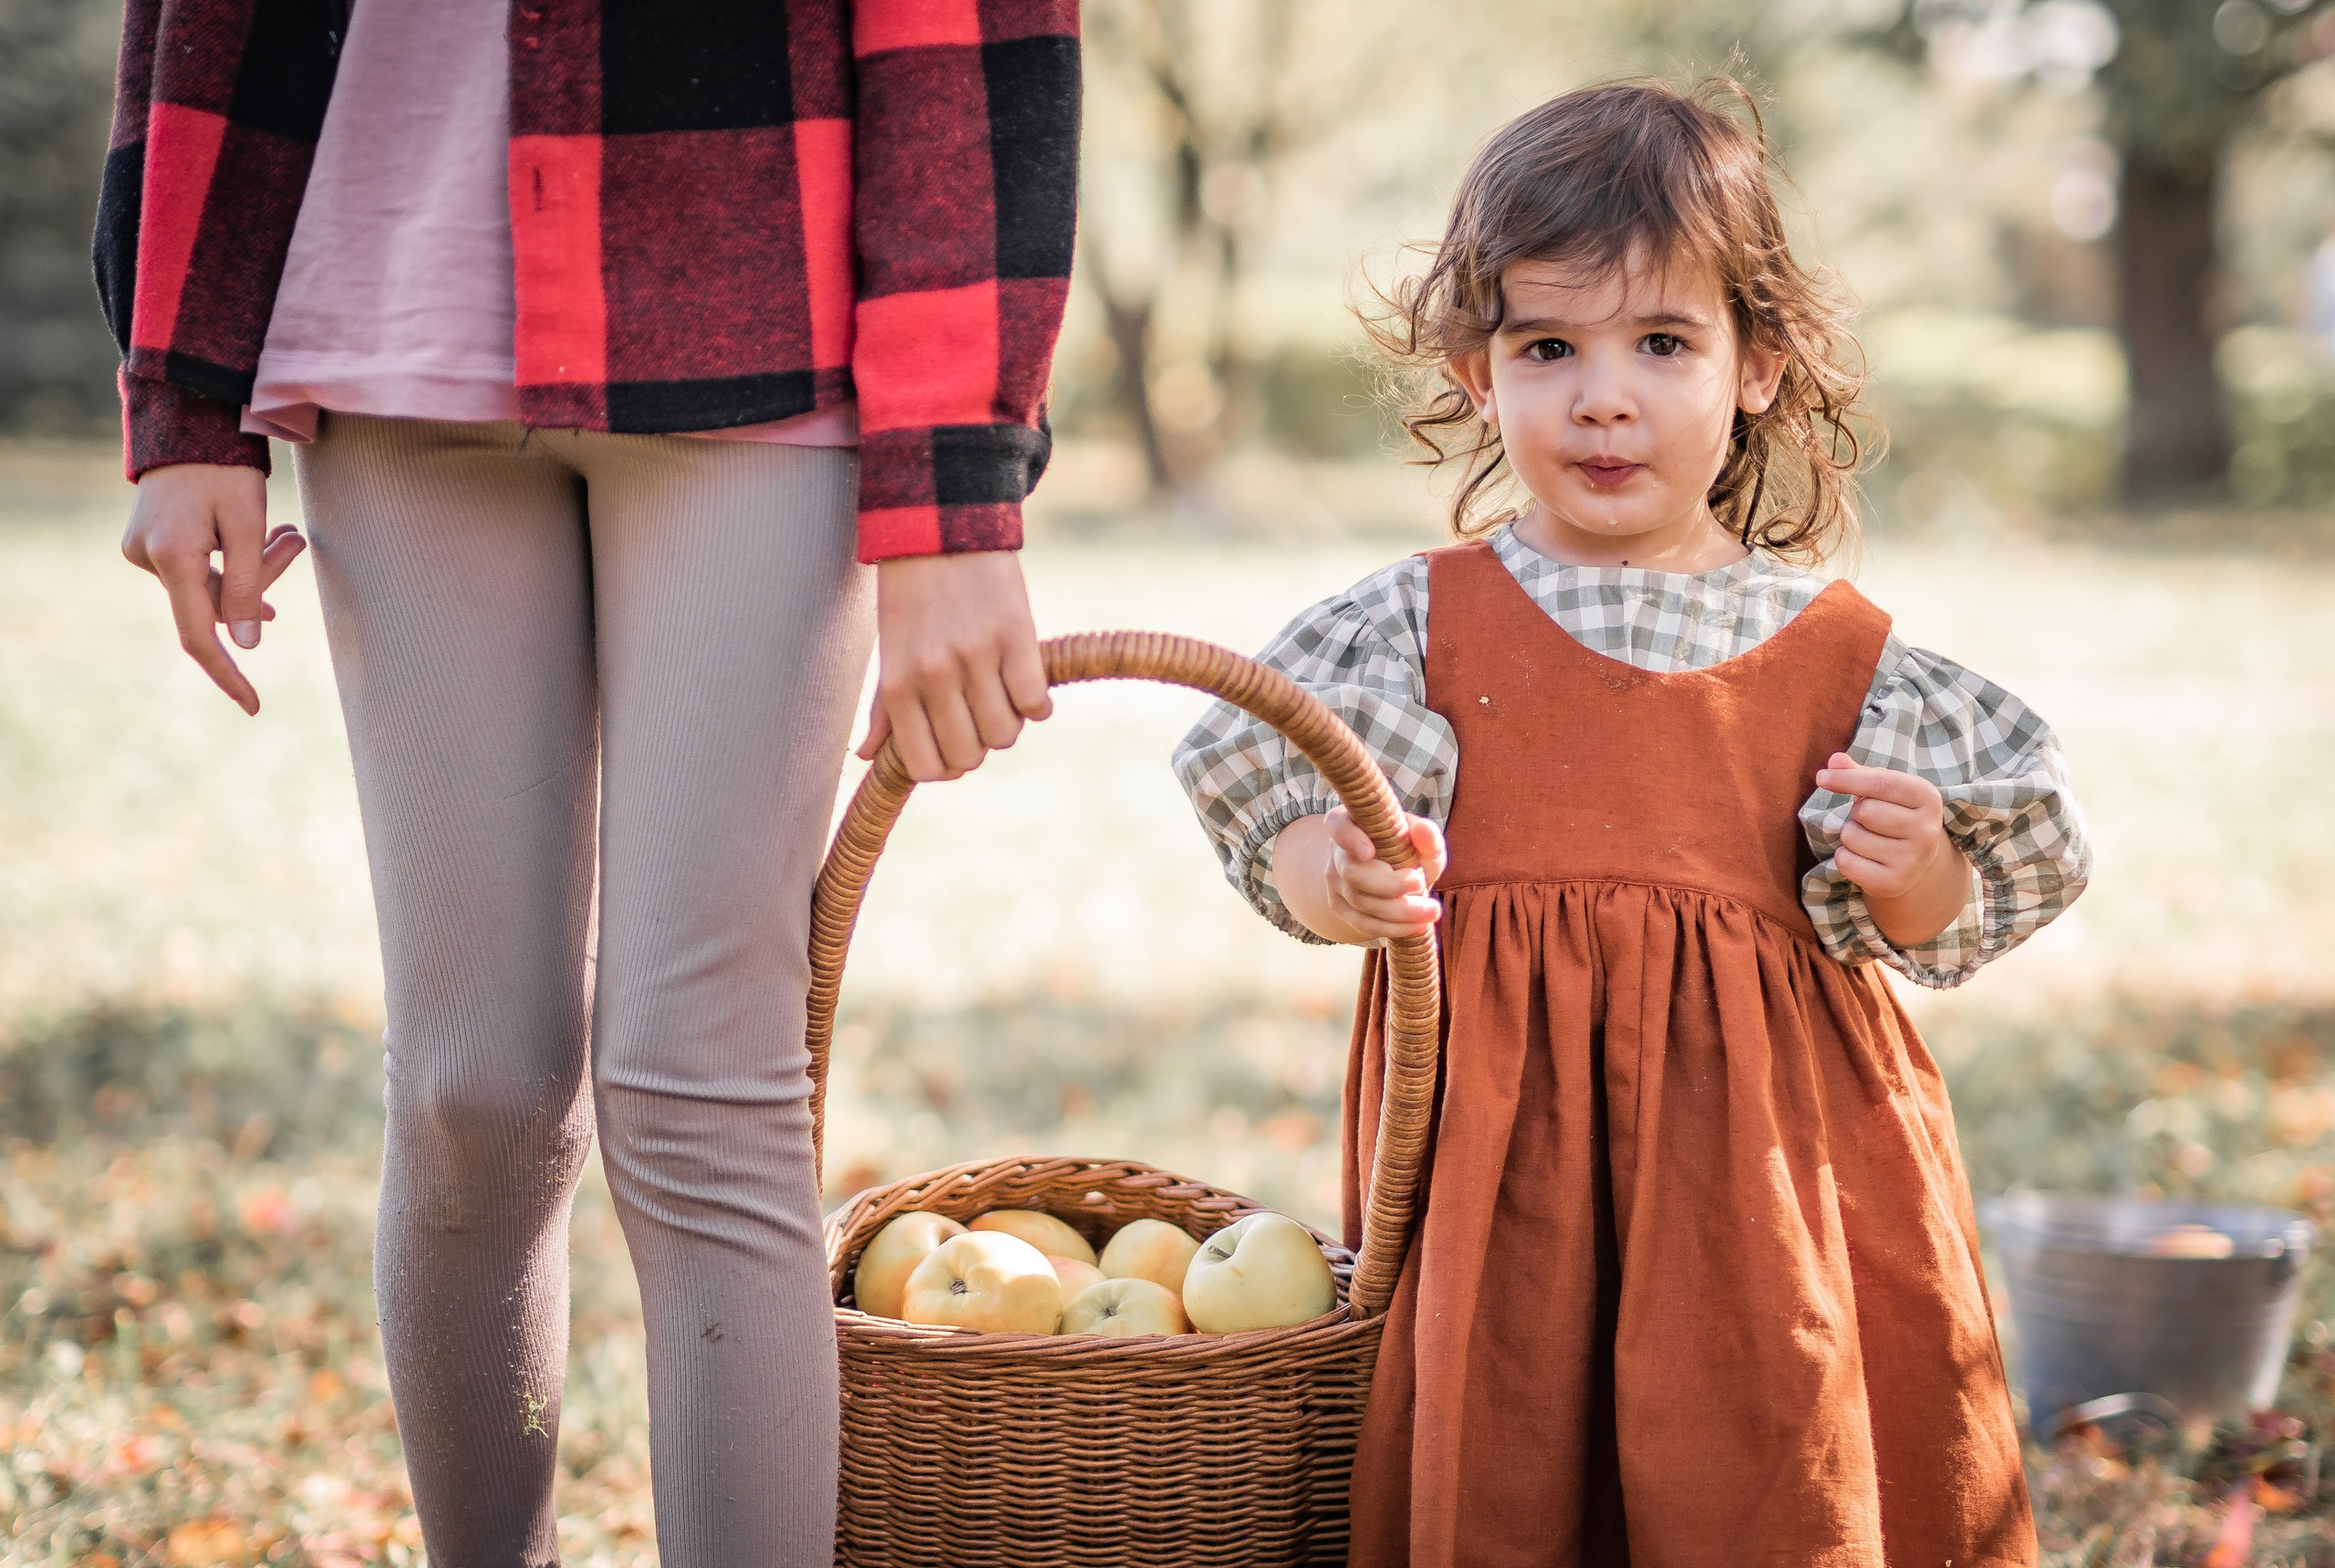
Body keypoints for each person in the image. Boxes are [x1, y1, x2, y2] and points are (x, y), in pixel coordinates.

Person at [94, 1, 1078, 1563]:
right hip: (390, 336)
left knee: (700, 1092)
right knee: (471, 1088)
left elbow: (964, 43)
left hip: (762, 335)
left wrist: (958, 493)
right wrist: (184, 397)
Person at [1173, 79, 2087, 1567]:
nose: (1605, 396)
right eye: (1549, 347)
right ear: (1480, 374)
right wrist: (1338, 879)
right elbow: (1273, 792)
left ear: (1760, 366)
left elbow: (1980, 888)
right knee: (1509, 1437)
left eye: (1663, 343)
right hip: (1498, 1168)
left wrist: (1913, 874)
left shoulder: (1844, 655)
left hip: (1770, 1180)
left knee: (1760, 1451)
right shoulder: (1414, 626)